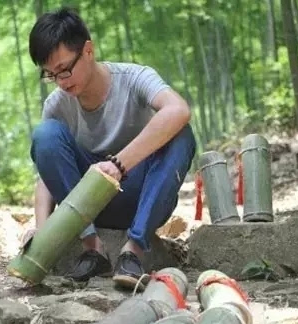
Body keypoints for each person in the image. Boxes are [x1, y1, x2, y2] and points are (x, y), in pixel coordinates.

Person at [24, 7, 196, 289]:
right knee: (45, 134)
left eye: (65, 69)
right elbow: (47, 173)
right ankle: (93, 248)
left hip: (143, 198)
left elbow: (178, 109)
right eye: (51, 75)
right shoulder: (56, 104)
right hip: (87, 209)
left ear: (88, 50)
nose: (62, 82)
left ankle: (134, 251)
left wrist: (118, 165)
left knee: (181, 133)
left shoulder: (134, 78)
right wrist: (43, 235)